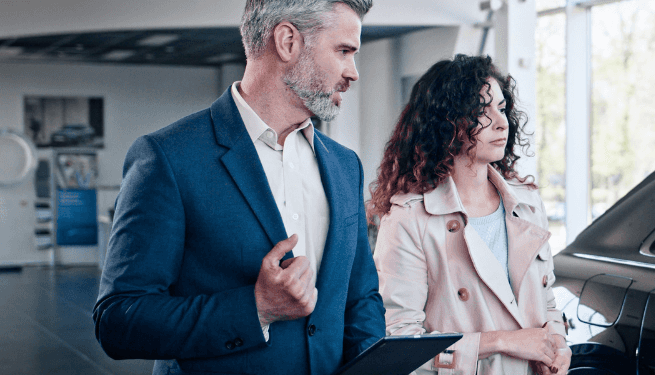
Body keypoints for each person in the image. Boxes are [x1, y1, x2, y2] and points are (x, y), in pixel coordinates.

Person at [92, 1, 384, 374]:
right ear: (288, 42)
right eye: (343, 51)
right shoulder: (169, 157)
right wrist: (256, 308)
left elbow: (361, 297)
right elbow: (118, 320)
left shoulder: (345, 165)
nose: (353, 73)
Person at [369, 54, 571, 375]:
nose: (501, 122)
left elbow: (546, 302)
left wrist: (557, 347)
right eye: (481, 111)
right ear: (447, 122)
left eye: (502, 109)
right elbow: (402, 346)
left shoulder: (528, 204)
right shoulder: (410, 220)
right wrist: (504, 341)